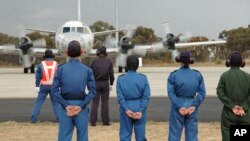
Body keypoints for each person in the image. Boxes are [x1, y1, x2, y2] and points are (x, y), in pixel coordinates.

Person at [51, 40, 96, 141]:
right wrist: (80, 106)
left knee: (64, 137)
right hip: (81, 106)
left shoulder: (60, 69)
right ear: (81, 52)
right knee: (83, 137)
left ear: (66, 53)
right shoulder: (87, 70)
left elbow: (54, 90)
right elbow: (92, 91)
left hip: (65, 106)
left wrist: (66, 106)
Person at [167, 51, 206, 141]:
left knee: (174, 135)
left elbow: (171, 93)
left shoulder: (173, 75)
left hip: (177, 105)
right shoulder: (197, 75)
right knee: (192, 135)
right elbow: (202, 93)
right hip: (192, 104)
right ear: (190, 60)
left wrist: (178, 106)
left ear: (179, 60)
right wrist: (194, 106)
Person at [216, 51, 250, 141]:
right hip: (244, 114)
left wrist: (232, 106)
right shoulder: (248, 77)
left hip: (228, 115)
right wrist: (243, 107)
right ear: (242, 62)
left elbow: (220, 91)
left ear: (229, 62)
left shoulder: (224, 76)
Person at [116, 55, 151, 141]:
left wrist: (126, 109)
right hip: (139, 106)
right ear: (137, 65)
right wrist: (140, 110)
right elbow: (146, 97)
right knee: (140, 136)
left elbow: (120, 97)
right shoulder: (143, 78)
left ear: (127, 65)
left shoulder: (121, 79)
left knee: (125, 136)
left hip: (126, 107)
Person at [31, 49, 60, 123]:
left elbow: (38, 77)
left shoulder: (41, 65)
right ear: (53, 56)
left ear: (44, 56)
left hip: (43, 85)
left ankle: (34, 118)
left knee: (39, 102)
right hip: (54, 86)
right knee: (56, 103)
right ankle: (60, 119)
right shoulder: (57, 65)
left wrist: (37, 85)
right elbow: (60, 76)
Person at [90, 46, 115, 126]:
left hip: (95, 83)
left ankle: (93, 121)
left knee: (94, 103)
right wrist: (111, 83)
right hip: (105, 83)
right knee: (105, 103)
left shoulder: (93, 61)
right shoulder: (109, 62)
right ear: (106, 53)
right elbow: (111, 75)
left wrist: (90, 84)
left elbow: (90, 74)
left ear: (98, 53)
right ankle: (105, 121)